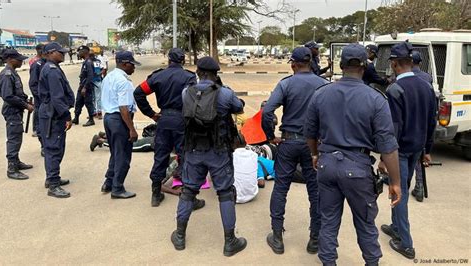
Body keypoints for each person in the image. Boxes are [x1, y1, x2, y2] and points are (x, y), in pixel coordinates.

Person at [304, 43, 402, 265]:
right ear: (365, 66)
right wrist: (395, 182)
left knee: (328, 222)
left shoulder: (320, 94)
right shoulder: (376, 99)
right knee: (366, 223)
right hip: (357, 168)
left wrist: (315, 155)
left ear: (340, 65)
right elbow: (388, 145)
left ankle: (328, 262)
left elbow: (309, 133)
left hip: (327, 164)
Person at [170, 56, 247, 257]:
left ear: (198, 72)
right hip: (219, 152)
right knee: (225, 193)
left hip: (193, 150)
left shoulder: (186, 92)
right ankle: (230, 241)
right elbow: (239, 108)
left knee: (188, 191)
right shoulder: (225, 93)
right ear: (216, 73)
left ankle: (179, 236)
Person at [261, 47, 328, 255]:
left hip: (289, 142)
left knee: (281, 187)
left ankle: (277, 237)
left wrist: (270, 136)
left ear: (293, 64)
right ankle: (315, 239)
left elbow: (268, 111)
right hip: (314, 146)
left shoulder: (286, 84)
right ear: (310, 63)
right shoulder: (324, 85)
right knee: (315, 191)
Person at [379, 42, 436, 260]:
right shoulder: (426, 86)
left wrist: (385, 157)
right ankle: (395, 226)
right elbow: (432, 122)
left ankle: (406, 242)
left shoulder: (395, 89)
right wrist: (427, 149)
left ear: (394, 63)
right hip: (417, 147)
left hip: (399, 150)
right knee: (402, 187)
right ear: (411, 62)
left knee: (398, 192)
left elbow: (393, 128)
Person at [133, 48, 204, 208]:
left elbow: (138, 93)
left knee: (161, 156)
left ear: (169, 59)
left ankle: (156, 195)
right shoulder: (189, 77)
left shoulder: (157, 76)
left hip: (163, 120)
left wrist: (151, 114)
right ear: (182, 60)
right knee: (185, 156)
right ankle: (189, 199)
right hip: (182, 120)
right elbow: (195, 99)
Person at [99, 51, 139, 199]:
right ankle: (117, 188)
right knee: (123, 156)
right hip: (119, 120)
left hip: (109, 118)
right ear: (125, 64)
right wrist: (132, 129)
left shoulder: (109, 77)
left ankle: (108, 182)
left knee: (115, 154)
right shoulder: (123, 81)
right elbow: (124, 108)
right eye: (132, 65)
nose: (134, 68)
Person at [38, 42, 75, 198]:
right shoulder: (52, 70)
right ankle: (53, 185)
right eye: (60, 52)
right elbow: (57, 97)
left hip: (52, 113)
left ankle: (52, 178)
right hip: (53, 115)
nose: (63, 54)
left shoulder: (52, 68)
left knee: (55, 147)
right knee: (54, 149)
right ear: (51, 53)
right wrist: (66, 115)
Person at [0, 49, 34, 180]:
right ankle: (12, 168)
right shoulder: (7, 74)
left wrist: (26, 100)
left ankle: (16, 161)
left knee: (17, 136)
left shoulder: (13, 73)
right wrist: (26, 105)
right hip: (12, 111)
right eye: (18, 59)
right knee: (14, 138)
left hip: (16, 110)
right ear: (9, 59)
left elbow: (18, 93)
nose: (21, 61)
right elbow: (8, 96)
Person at [410, 50, 433, 202]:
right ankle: (419, 185)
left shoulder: (401, 77)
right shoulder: (427, 77)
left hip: (407, 121)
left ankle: (399, 181)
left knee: (403, 157)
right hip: (423, 120)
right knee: (419, 154)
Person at [28, 43, 46, 155]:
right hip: (41, 100)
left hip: (47, 101)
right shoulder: (37, 64)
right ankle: (43, 145)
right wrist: (40, 97)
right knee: (40, 123)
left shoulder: (47, 63)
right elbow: (33, 84)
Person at [72, 45, 95, 127]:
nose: (78, 53)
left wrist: (85, 87)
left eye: (80, 52)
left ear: (84, 52)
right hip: (82, 86)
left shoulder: (88, 63)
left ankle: (91, 119)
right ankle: (76, 118)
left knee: (88, 103)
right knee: (78, 102)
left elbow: (90, 76)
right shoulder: (85, 62)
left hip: (86, 87)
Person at [90, 52, 104, 119]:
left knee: (97, 98)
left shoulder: (96, 62)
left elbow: (103, 69)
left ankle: (99, 112)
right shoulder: (88, 62)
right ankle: (95, 112)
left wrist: (98, 74)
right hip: (91, 82)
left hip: (97, 81)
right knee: (93, 98)